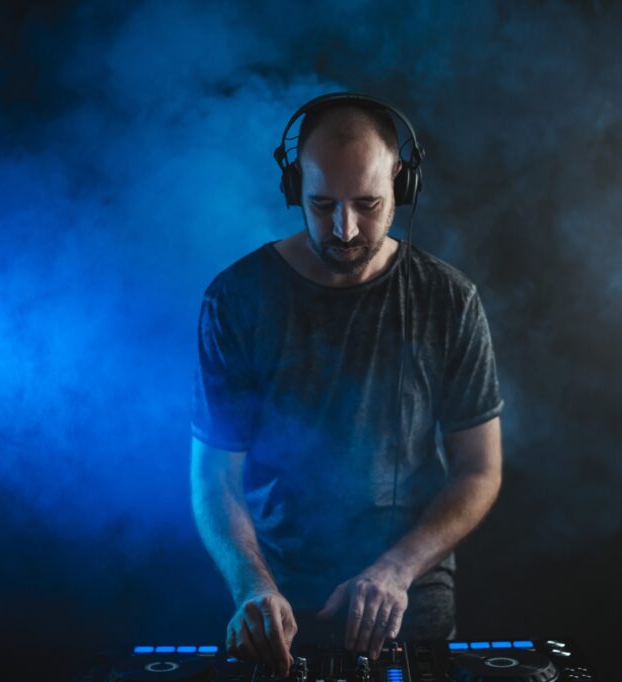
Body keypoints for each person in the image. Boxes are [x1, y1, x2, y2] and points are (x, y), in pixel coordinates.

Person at [190, 95, 503, 677]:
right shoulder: (234, 301)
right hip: (276, 601)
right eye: (322, 204)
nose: (344, 229)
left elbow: (480, 469)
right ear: (292, 189)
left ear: (403, 186)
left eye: (368, 204)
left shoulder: (449, 299)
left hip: (409, 602)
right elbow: (214, 475)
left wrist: (396, 570)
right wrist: (251, 587)